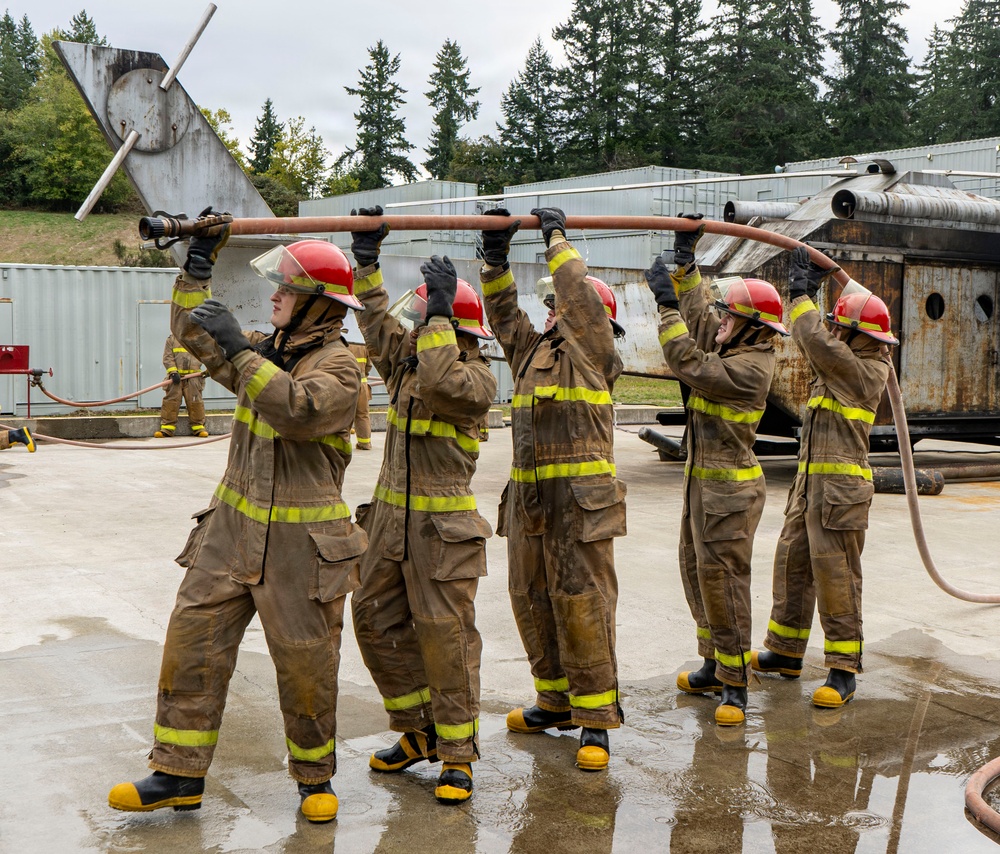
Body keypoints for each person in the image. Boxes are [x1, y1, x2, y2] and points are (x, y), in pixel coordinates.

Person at [108, 215, 367, 824]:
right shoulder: (266, 350)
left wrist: (240, 352)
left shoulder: (339, 367)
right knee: (191, 644)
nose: (274, 294)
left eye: (287, 288)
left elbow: (298, 411)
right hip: (229, 533)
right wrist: (196, 270)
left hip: (303, 548)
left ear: (320, 307)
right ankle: (177, 773)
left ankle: (313, 777)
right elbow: (192, 336)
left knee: (306, 663)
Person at [347, 206, 497, 805]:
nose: (413, 330)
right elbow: (378, 323)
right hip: (389, 524)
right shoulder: (410, 361)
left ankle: (457, 756)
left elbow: (442, 382)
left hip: (442, 531)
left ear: (454, 330)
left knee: (447, 640)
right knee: (373, 621)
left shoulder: (476, 381)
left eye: (429, 321)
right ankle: (420, 733)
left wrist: (438, 313)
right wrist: (367, 265)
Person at [480, 206, 627, 772]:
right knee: (531, 600)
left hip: (581, 507)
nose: (550, 312)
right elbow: (503, 316)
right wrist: (495, 260)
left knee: (582, 607)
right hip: (531, 503)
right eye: (549, 307)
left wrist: (556, 238)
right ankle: (556, 700)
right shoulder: (535, 351)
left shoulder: (595, 352)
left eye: (558, 306)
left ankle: (596, 720)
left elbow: (579, 296)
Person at [643, 215, 787, 726]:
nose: (720, 319)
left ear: (751, 325)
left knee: (725, 585)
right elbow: (702, 317)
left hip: (729, 493)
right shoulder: (735, 341)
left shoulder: (750, 367)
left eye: (731, 314)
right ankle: (712, 661)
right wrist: (686, 265)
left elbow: (688, 360)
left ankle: (735, 684)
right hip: (704, 486)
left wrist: (663, 308)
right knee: (697, 574)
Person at [753, 247, 896, 708]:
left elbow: (815, 342)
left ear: (857, 335)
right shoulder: (842, 357)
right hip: (811, 489)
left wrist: (801, 294)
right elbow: (823, 343)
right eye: (832, 324)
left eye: (840, 325)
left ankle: (843, 670)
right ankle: (785, 652)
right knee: (791, 566)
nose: (833, 329)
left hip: (841, 496)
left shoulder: (864, 369)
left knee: (837, 578)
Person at [155, 332, 209, 438]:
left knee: (195, 401)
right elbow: (167, 357)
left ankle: (198, 427)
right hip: (175, 378)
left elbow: (208, 355)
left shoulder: (199, 339)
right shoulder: (172, 339)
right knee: (171, 401)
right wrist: (173, 372)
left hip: (194, 377)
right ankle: (167, 428)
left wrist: (210, 369)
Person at [345, 336, 374, 450]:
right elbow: (369, 365)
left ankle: (343, 443)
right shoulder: (363, 345)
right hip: (362, 384)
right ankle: (365, 443)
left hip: (345, 384)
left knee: (344, 415)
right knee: (362, 415)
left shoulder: (341, 344)